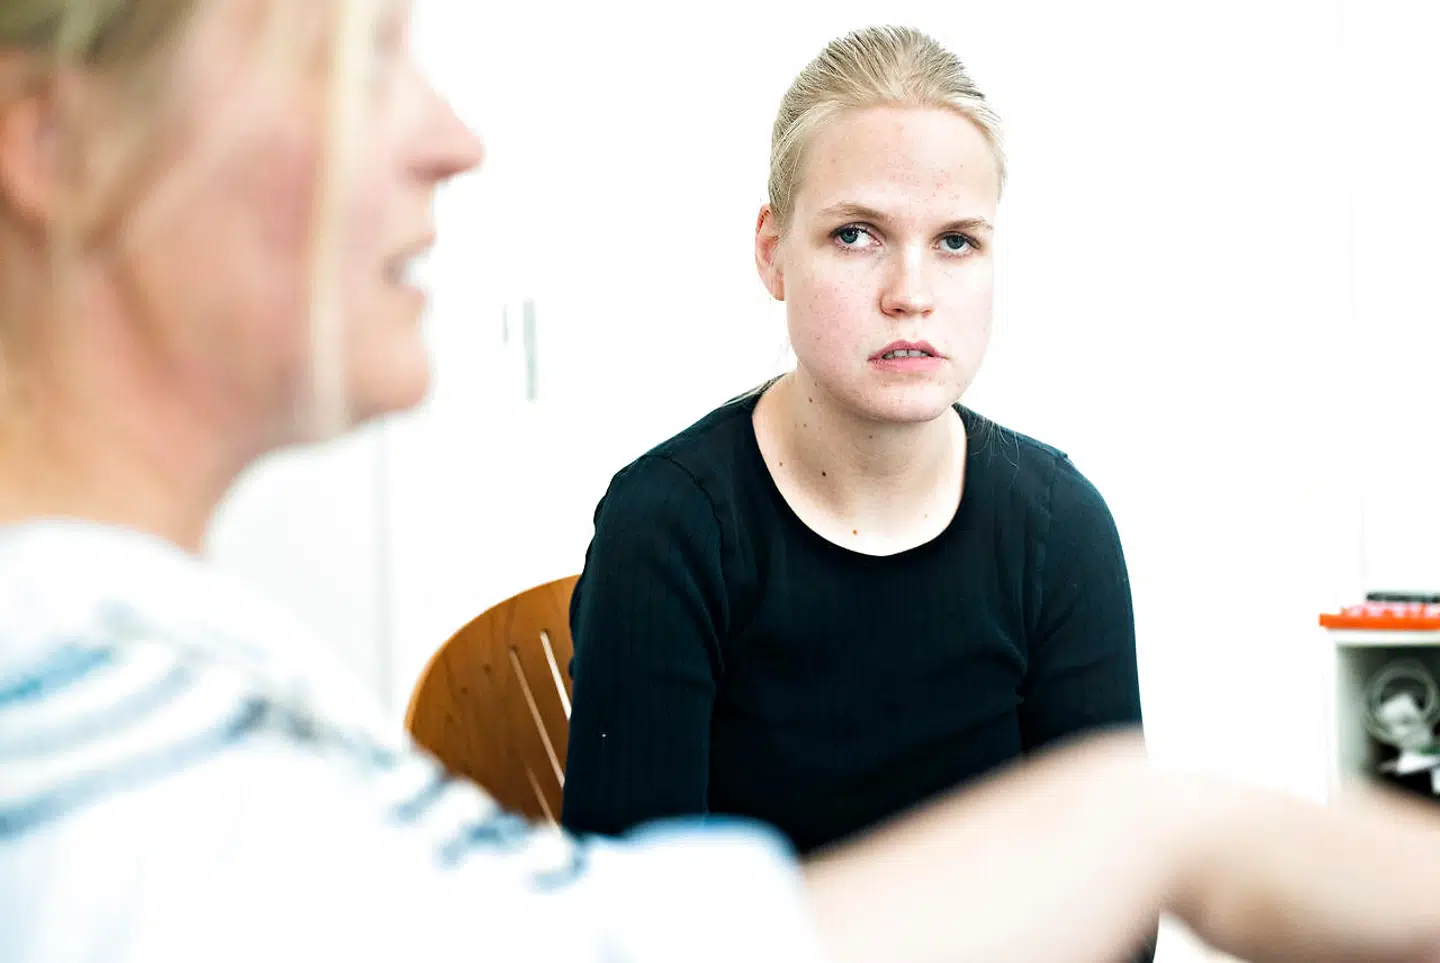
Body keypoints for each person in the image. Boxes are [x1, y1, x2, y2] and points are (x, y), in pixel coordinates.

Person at [6, 4, 1440, 963]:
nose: (456, 138)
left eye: (958, 242)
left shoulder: (214, 711)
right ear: (51, 138)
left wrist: (1151, 823)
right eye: (350, 54)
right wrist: (1153, 820)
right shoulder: (97, 787)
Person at [563, 24, 1142, 864]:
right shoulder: (668, 529)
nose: (911, 294)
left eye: (955, 241)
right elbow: (636, 931)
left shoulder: (1059, 528)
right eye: (855, 234)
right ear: (773, 254)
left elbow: (1112, 904)